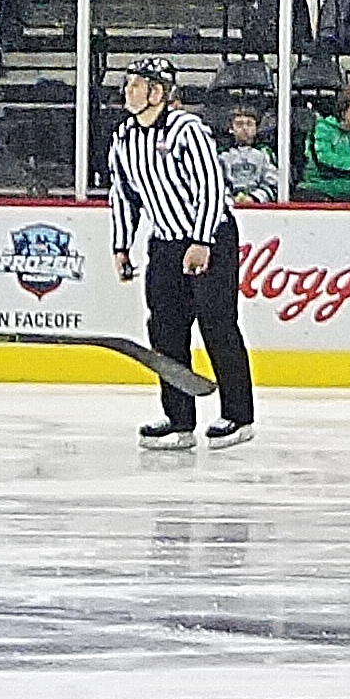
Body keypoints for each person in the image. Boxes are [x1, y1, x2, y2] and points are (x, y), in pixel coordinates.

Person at [104, 63, 252, 453]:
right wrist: (121, 245)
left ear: (158, 92)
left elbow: (210, 186)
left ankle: (238, 414)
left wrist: (201, 241)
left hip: (210, 237)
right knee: (165, 330)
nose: (128, 92)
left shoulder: (188, 130)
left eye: (135, 85)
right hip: (166, 244)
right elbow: (123, 195)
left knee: (217, 323)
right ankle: (178, 418)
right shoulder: (124, 137)